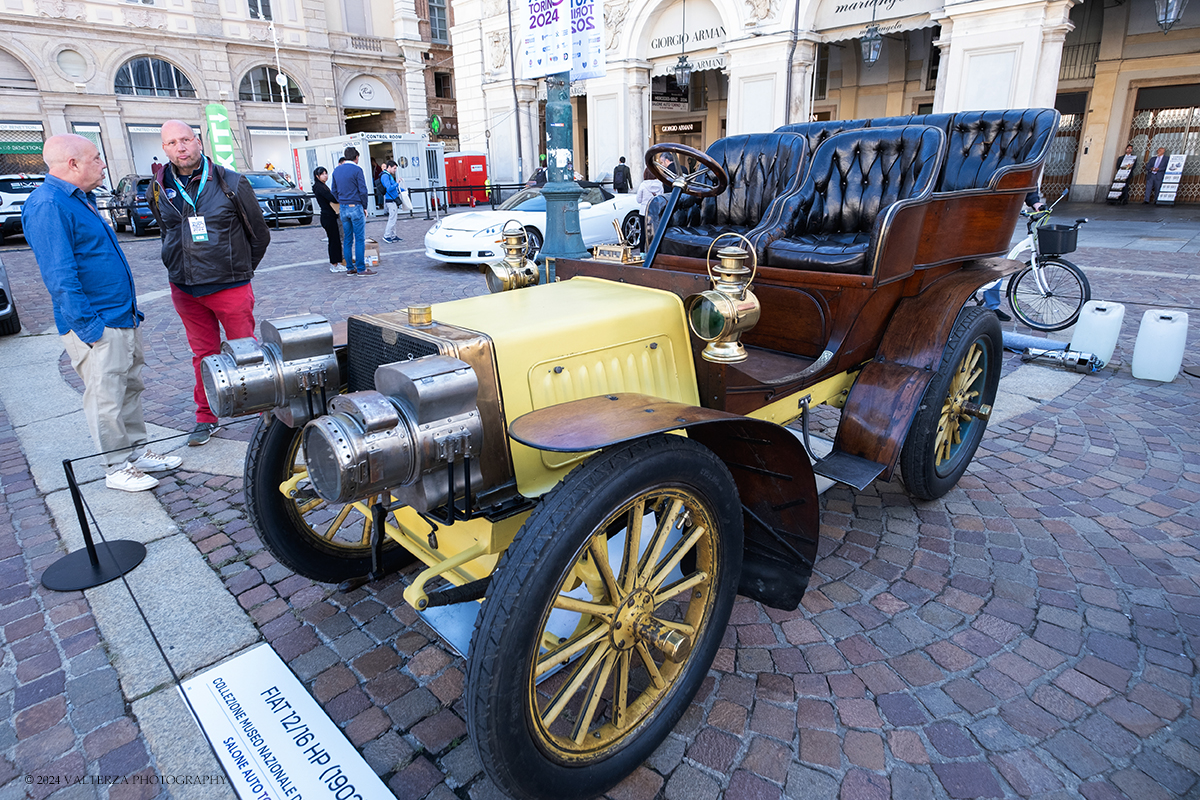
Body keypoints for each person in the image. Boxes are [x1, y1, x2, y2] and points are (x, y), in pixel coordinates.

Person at [23, 134, 182, 491]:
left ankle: (136, 453)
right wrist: (89, 328)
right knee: (105, 396)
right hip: (97, 322)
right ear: (73, 164)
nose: (103, 164)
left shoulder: (82, 199)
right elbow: (59, 275)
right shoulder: (48, 204)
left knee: (128, 387)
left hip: (119, 315)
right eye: (96, 158)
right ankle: (116, 466)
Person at [151, 119, 272, 447]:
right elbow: (167, 229)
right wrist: (174, 263)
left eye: (186, 139)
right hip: (185, 289)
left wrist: (240, 272)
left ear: (198, 141)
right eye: (172, 143)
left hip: (229, 287)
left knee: (245, 352)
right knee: (203, 355)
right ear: (164, 149)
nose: (181, 147)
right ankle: (206, 416)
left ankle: (267, 417)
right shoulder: (160, 185)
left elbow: (259, 235)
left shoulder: (230, 181)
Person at [981, 190, 1044, 322]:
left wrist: (1035, 202)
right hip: (982, 209)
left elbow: (1028, 179)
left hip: (1004, 215)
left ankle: (992, 306)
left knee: (998, 264)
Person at [332, 147, 375, 276]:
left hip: (343, 207)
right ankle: (361, 268)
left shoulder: (336, 170)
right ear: (356, 157)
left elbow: (333, 190)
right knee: (360, 239)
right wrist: (364, 206)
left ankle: (350, 267)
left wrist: (341, 200)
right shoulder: (357, 170)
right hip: (355, 206)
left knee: (347, 239)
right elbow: (363, 190)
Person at [313, 167, 344, 273]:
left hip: (329, 216)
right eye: (323, 174)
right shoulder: (320, 187)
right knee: (333, 240)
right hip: (328, 216)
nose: (325, 175)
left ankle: (337, 262)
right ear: (317, 176)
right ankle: (334, 264)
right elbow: (332, 198)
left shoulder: (322, 186)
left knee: (335, 240)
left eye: (326, 173)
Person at [635, 167, 663, 253]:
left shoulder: (643, 184)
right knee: (655, 232)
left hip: (644, 211)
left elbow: (638, 200)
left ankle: (642, 252)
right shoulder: (660, 184)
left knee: (643, 233)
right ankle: (655, 252)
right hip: (655, 212)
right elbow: (662, 197)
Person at [380, 159, 409, 243]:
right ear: (389, 167)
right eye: (394, 168)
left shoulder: (387, 175)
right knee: (392, 219)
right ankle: (387, 235)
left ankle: (393, 235)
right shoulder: (386, 176)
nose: (395, 170)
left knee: (393, 218)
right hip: (391, 200)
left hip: (391, 199)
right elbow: (389, 188)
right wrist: (397, 183)